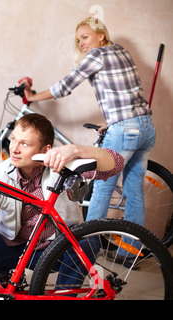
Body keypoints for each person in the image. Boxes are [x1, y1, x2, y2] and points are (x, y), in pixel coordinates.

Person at [0, 113, 124, 300]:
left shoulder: (63, 165)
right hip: (12, 242)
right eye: (14, 140)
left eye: (24, 144)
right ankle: (8, 284)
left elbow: (116, 164)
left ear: (45, 149)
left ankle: (64, 297)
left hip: (53, 246)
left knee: (88, 242)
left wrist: (73, 150)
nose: (14, 149)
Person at [20, 17, 155, 239]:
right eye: (78, 40)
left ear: (100, 35)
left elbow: (65, 87)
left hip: (125, 130)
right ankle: (132, 253)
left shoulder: (97, 54)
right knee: (134, 191)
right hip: (145, 127)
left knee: (102, 187)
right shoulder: (121, 51)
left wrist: (33, 96)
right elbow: (129, 93)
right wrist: (111, 122)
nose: (81, 43)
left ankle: (87, 251)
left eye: (85, 37)